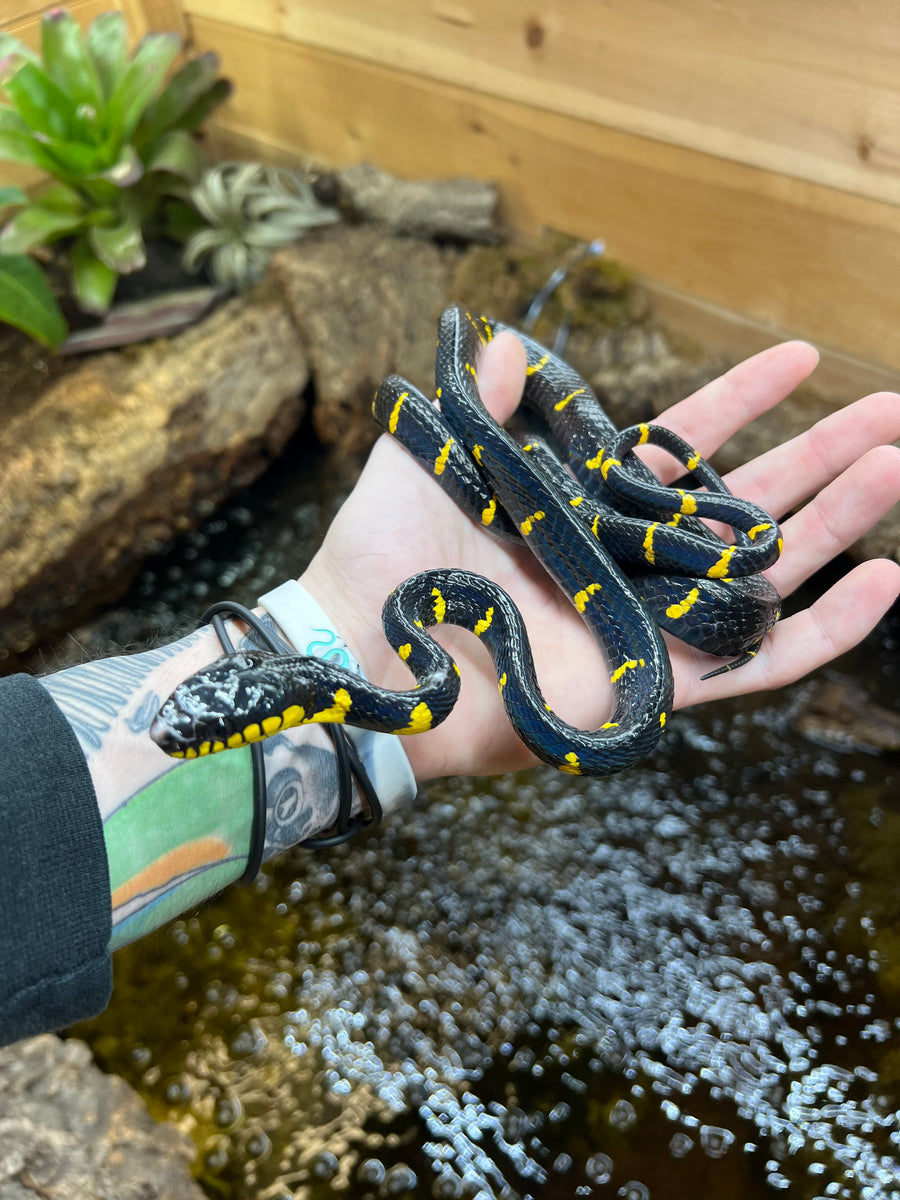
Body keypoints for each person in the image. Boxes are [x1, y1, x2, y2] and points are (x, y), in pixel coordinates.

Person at [1, 329, 898, 1047]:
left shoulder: (425, 633)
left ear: (290, 693)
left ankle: (628, 493)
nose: (195, 735)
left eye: (211, 728)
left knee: (473, 389)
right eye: (210, 735)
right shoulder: (421, 642)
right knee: (450, 402)